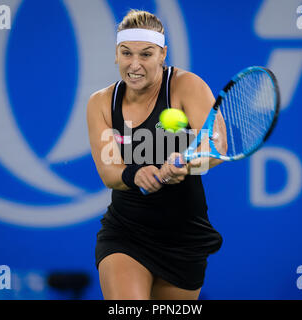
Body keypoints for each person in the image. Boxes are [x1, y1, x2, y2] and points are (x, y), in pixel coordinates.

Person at [86, 9, 226, 300]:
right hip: (126, 233)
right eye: (126, 53)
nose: (134, 64)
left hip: (184, 237)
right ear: (116, 54)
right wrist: (135, 174)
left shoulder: (187, 86)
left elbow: (215, 146)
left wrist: (186, 164)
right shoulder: (100, 102)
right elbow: (109, 173)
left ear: (163, 54)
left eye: (146, 54)